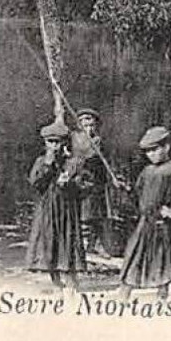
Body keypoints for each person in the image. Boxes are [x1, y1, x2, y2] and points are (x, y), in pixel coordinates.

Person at [116, 126, 171, 300]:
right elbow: (137, 196)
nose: (151, 154)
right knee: (133, 260)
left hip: (163, 227)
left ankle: (161, 301)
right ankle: (122, 300)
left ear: (167, 147)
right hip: (144, 225)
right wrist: (125, 188)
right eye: (147, 151)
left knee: (163, 266)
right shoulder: (146, 172)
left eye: (155, 149)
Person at [26, 118, 95, 288]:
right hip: (47, 212)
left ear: (65, 143)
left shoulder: (74, 163)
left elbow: (86, 187)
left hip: (67, 213)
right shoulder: (41, 162)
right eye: (50, 142)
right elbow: (36, 183)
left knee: (68, 246)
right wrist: (48, 166)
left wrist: (71, 184)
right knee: (49, 246)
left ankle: (72, 284)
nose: (54, 146)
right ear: (45, 143)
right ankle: (56, 283)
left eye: (58, 142)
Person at [70, 108, 126, 258]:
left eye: (91, 125)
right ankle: (79, 246)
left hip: (95, 182)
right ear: (79, 124)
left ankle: (94, 245)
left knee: (96, 215)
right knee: (81, 215)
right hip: (78, 181)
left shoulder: (98, 141)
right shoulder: (74, 137)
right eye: (85, 124)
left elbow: (104, 162)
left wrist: (113, 177)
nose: (89, 128)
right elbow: (81, 155)